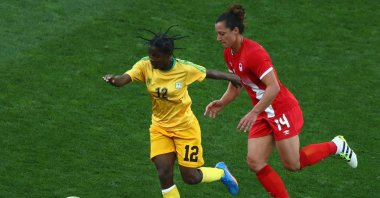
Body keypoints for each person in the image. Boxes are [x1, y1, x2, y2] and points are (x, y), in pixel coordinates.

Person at [204, 4, 358, 198]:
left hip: (280, 109)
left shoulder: (254, 53)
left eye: (222, 33)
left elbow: (274, 87)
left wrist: (254, 112)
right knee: (255, 161)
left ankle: (336, 146)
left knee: (293, 164)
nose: (218, 38)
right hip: (264, 112)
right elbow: (237, 83)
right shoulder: (229, 53)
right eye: (217, 34)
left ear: (235, 31)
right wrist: (222, 102)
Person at [103, 26, 239, 198]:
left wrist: (231, 76)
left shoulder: (183, 69)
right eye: (151, 55)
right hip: (160, 128)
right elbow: (125, 78)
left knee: (190, 177)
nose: (152, 60)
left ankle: (221, 172)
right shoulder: (145, 65)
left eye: (156, 57)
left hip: (185, 129)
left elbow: (207, 72)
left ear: (168, 56)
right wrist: (115, 80)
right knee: (164, 174)